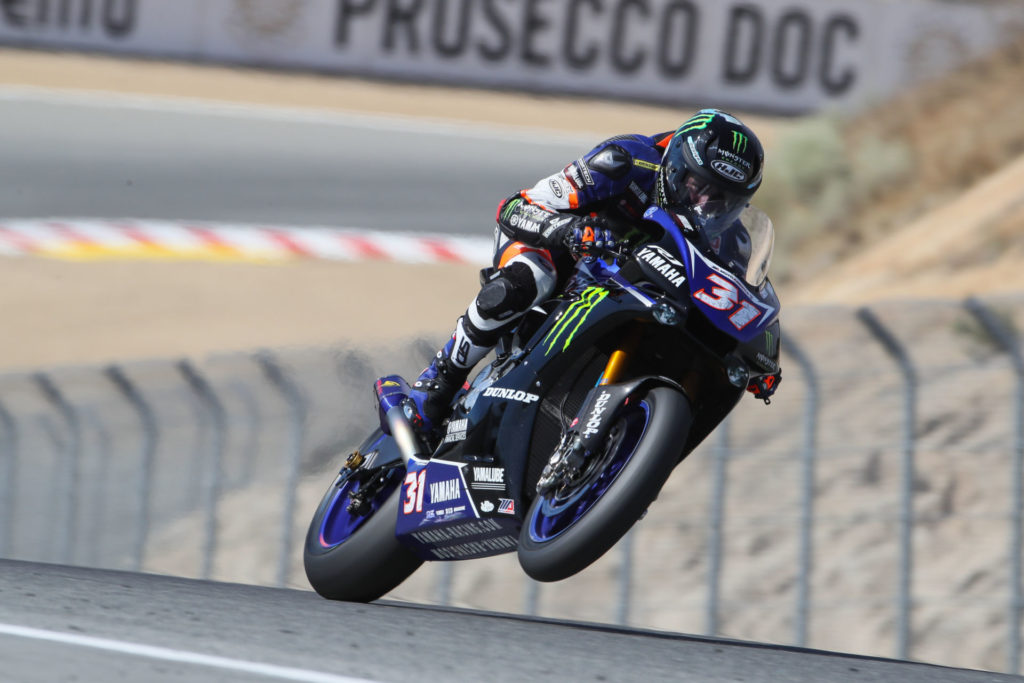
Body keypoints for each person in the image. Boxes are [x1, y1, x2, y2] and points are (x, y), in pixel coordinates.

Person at [407, 108, 781, 435]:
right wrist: (570, 231)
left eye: (724, 201)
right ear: (678, 165)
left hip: (635, 300)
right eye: (698, 187)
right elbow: (516, 207)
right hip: (563, 255)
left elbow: (733, 298)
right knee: (531, 277)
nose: (705, 207)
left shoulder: (733, 242)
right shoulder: (625, 161)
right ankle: (440, 379)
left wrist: (757, 354)